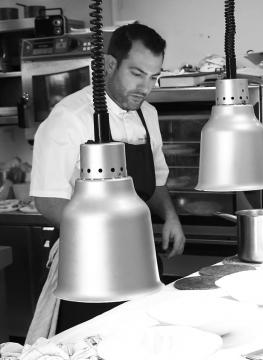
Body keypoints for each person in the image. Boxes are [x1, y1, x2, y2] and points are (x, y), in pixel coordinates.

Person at [26, 23, 185, 342]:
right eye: (137, 73)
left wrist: (170, 216)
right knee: (89, 343)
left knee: (141, 341)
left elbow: (155, 180)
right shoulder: (69, 118)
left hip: (141, 255)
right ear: (110, 65)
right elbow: (47, 199)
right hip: (87, 262)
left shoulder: (148, 115)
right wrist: (106, 240)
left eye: (154, 77)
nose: (146, 87)